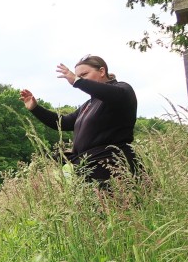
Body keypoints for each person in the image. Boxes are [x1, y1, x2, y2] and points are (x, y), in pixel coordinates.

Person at [20, 55, 139, 185]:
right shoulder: (88, 105)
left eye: (84, 74)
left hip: (112, 166)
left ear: (102, 71)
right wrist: (35, 108)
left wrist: (77, 82)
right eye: (78, 76)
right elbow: (63, 122)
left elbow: (114, 94)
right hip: (89, 167)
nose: (80, 79)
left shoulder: (123, 90)